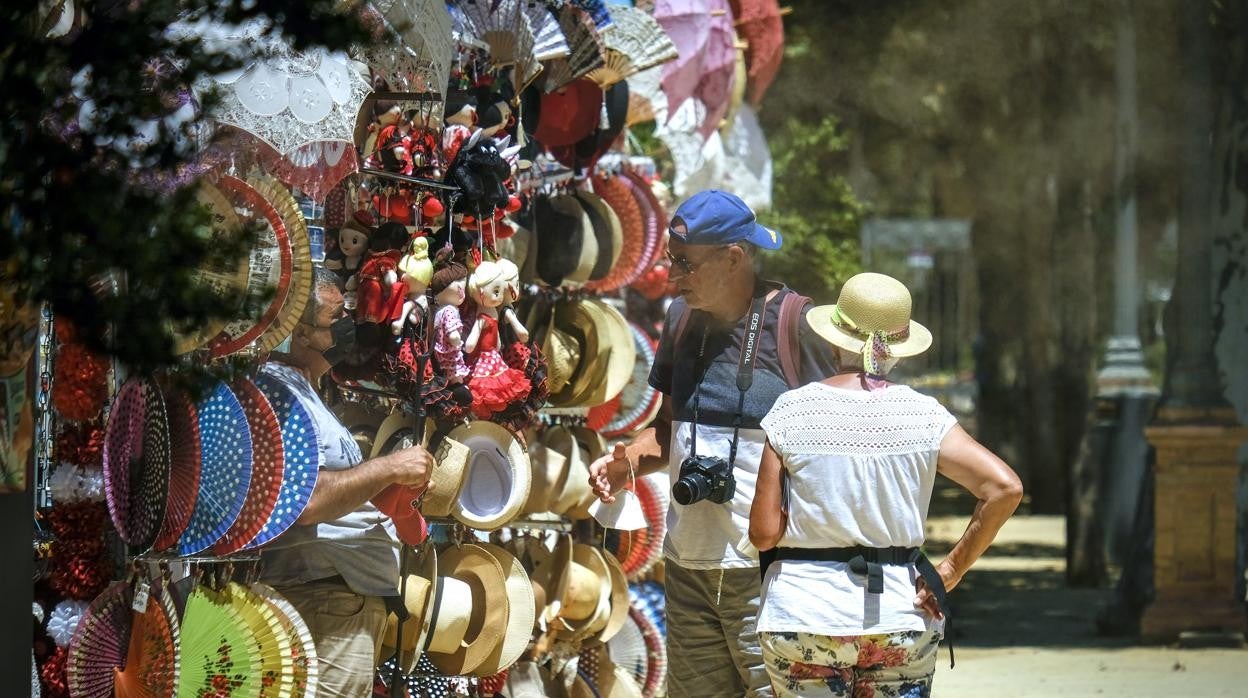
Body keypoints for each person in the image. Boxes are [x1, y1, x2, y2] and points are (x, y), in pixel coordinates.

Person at [590, 190, 839, 697]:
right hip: (687, 570)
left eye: (685, 264)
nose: (672, 278)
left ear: (733, 258)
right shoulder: (680, 320)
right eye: (669, 261)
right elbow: (667, 429)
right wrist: (625, 465)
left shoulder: (795, 324)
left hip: (771, 574)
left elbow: (832, 450)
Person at [748, 272, 1024, 698]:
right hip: (899, 616)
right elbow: (1004, 488)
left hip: (803, 614)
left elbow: (763, 532)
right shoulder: (925, 416)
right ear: (897, 349)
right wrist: (949, 571)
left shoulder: (791, 411)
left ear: (835, 339)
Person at [260, 266, 434, 697]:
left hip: (340, 602)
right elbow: (308, 501)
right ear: (300, 331)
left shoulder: (304, 389)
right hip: (324, 603)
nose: (346, 327)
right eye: (335, 318)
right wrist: (388, 468)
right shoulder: (279, 390)